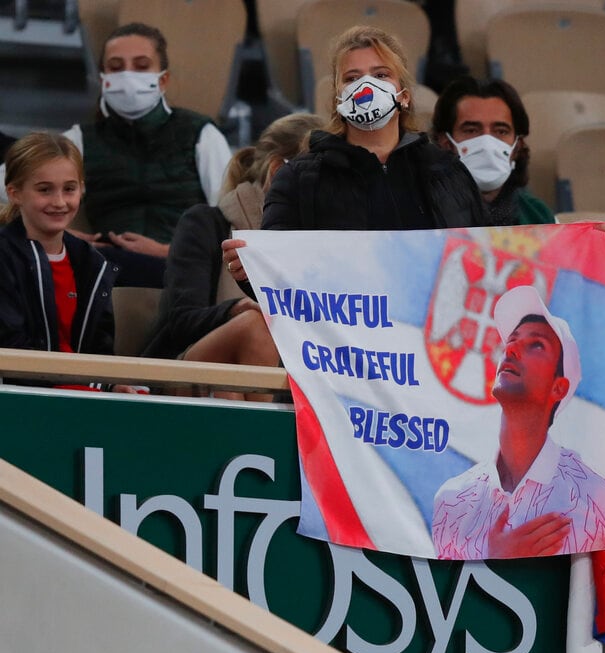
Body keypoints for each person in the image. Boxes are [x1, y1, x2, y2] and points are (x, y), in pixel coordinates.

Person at [222, 24, 485, 280]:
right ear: (338, 99)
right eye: (352, 78)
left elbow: (480, 264)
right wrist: (251, 274)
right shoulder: (297, 179)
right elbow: (280, 280)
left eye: (381, 75)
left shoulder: (448, 172)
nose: (366, 87)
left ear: (404, 95)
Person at [1, 23, 232, 285]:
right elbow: (11, 185)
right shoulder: (80, 140)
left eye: (142, 66)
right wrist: (57, 234)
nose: (128, 76)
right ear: (104, 80)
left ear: (163, 80)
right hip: (105, 268)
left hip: (184, 268)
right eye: (116, 67)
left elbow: (228, 221)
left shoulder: (202, 134)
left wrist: (168, 251)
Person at [432, 285, 605, 560]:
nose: (511, 348)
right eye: (511, 340)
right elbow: (443, 598)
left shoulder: (600, 497)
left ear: (559, 388)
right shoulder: (451, 499)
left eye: (535, 344)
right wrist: (495, 556)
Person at [143, 113, 323, 399]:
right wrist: (237, 308)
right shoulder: (206, 223)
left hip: (295, 378)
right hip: (187, 368)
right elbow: (180, 321)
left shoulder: (331, 244)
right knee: (257, 325)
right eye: (325, 179)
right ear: (278, 171)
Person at [0, 132, 139, 394]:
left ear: (82, 189)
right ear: (14, 193)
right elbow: (15, 352)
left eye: (69, 189)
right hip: (23, 400)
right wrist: (100, 385)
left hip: (81, 396)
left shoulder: (92, 262)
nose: (60, 202)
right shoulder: (4, 255)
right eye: (44, 190)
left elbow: (100, 349)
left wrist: (112, 385)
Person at [432, 75, 555, 226]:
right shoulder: (420, 212)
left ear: (517, 146)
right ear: (445, 143)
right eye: (471, 130)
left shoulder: (539, 216)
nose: (487, 143)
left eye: (501, 131)